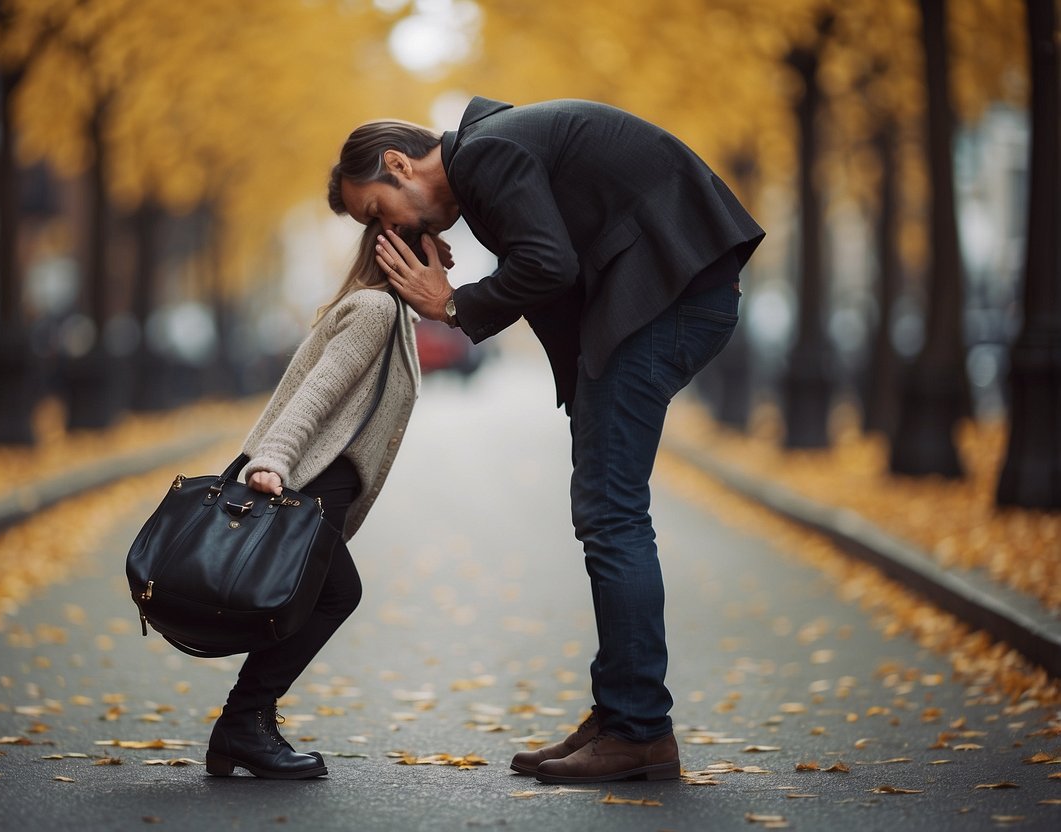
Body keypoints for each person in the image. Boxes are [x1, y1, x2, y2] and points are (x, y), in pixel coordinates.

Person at [327, 97, 765, 785]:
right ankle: (622, 714)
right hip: (665, 294)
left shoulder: (488, 155)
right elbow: (555, 253)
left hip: (668, 297)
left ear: (398, 163)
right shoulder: (492, 158)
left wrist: (450, 304)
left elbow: (548, 264)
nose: (389, 228)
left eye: (379, 211)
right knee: (606, 509)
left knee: (611, 512)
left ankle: (638, 729)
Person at [206, 223, 426, 780]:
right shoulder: (377, 309)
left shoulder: (388, 311)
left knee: (328, 595)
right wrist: (274, 459)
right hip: (309, 483)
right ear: (405, 254)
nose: (444, 265)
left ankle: (243, 724)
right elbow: (317, 391)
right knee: (331, 595)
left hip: (319, 483)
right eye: (434, 249)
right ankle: (243, 723)